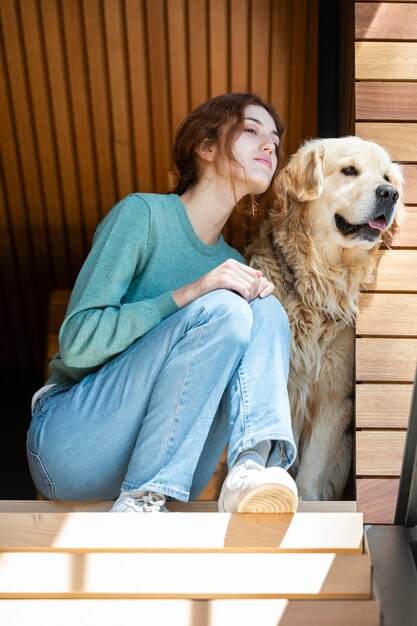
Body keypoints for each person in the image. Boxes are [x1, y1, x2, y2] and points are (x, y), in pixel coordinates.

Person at [27, 92, 298, 513]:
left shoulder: (230, 264)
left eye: (275, 141)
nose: (270, 146)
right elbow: (78, 343)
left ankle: (251, 466)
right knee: (226, 304)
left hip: (175, 463)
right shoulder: (143, 216)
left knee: (264, 304)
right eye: (251, 130)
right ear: (206, 148)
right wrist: (192, 292)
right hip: (72, 441)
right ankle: (143, 498)